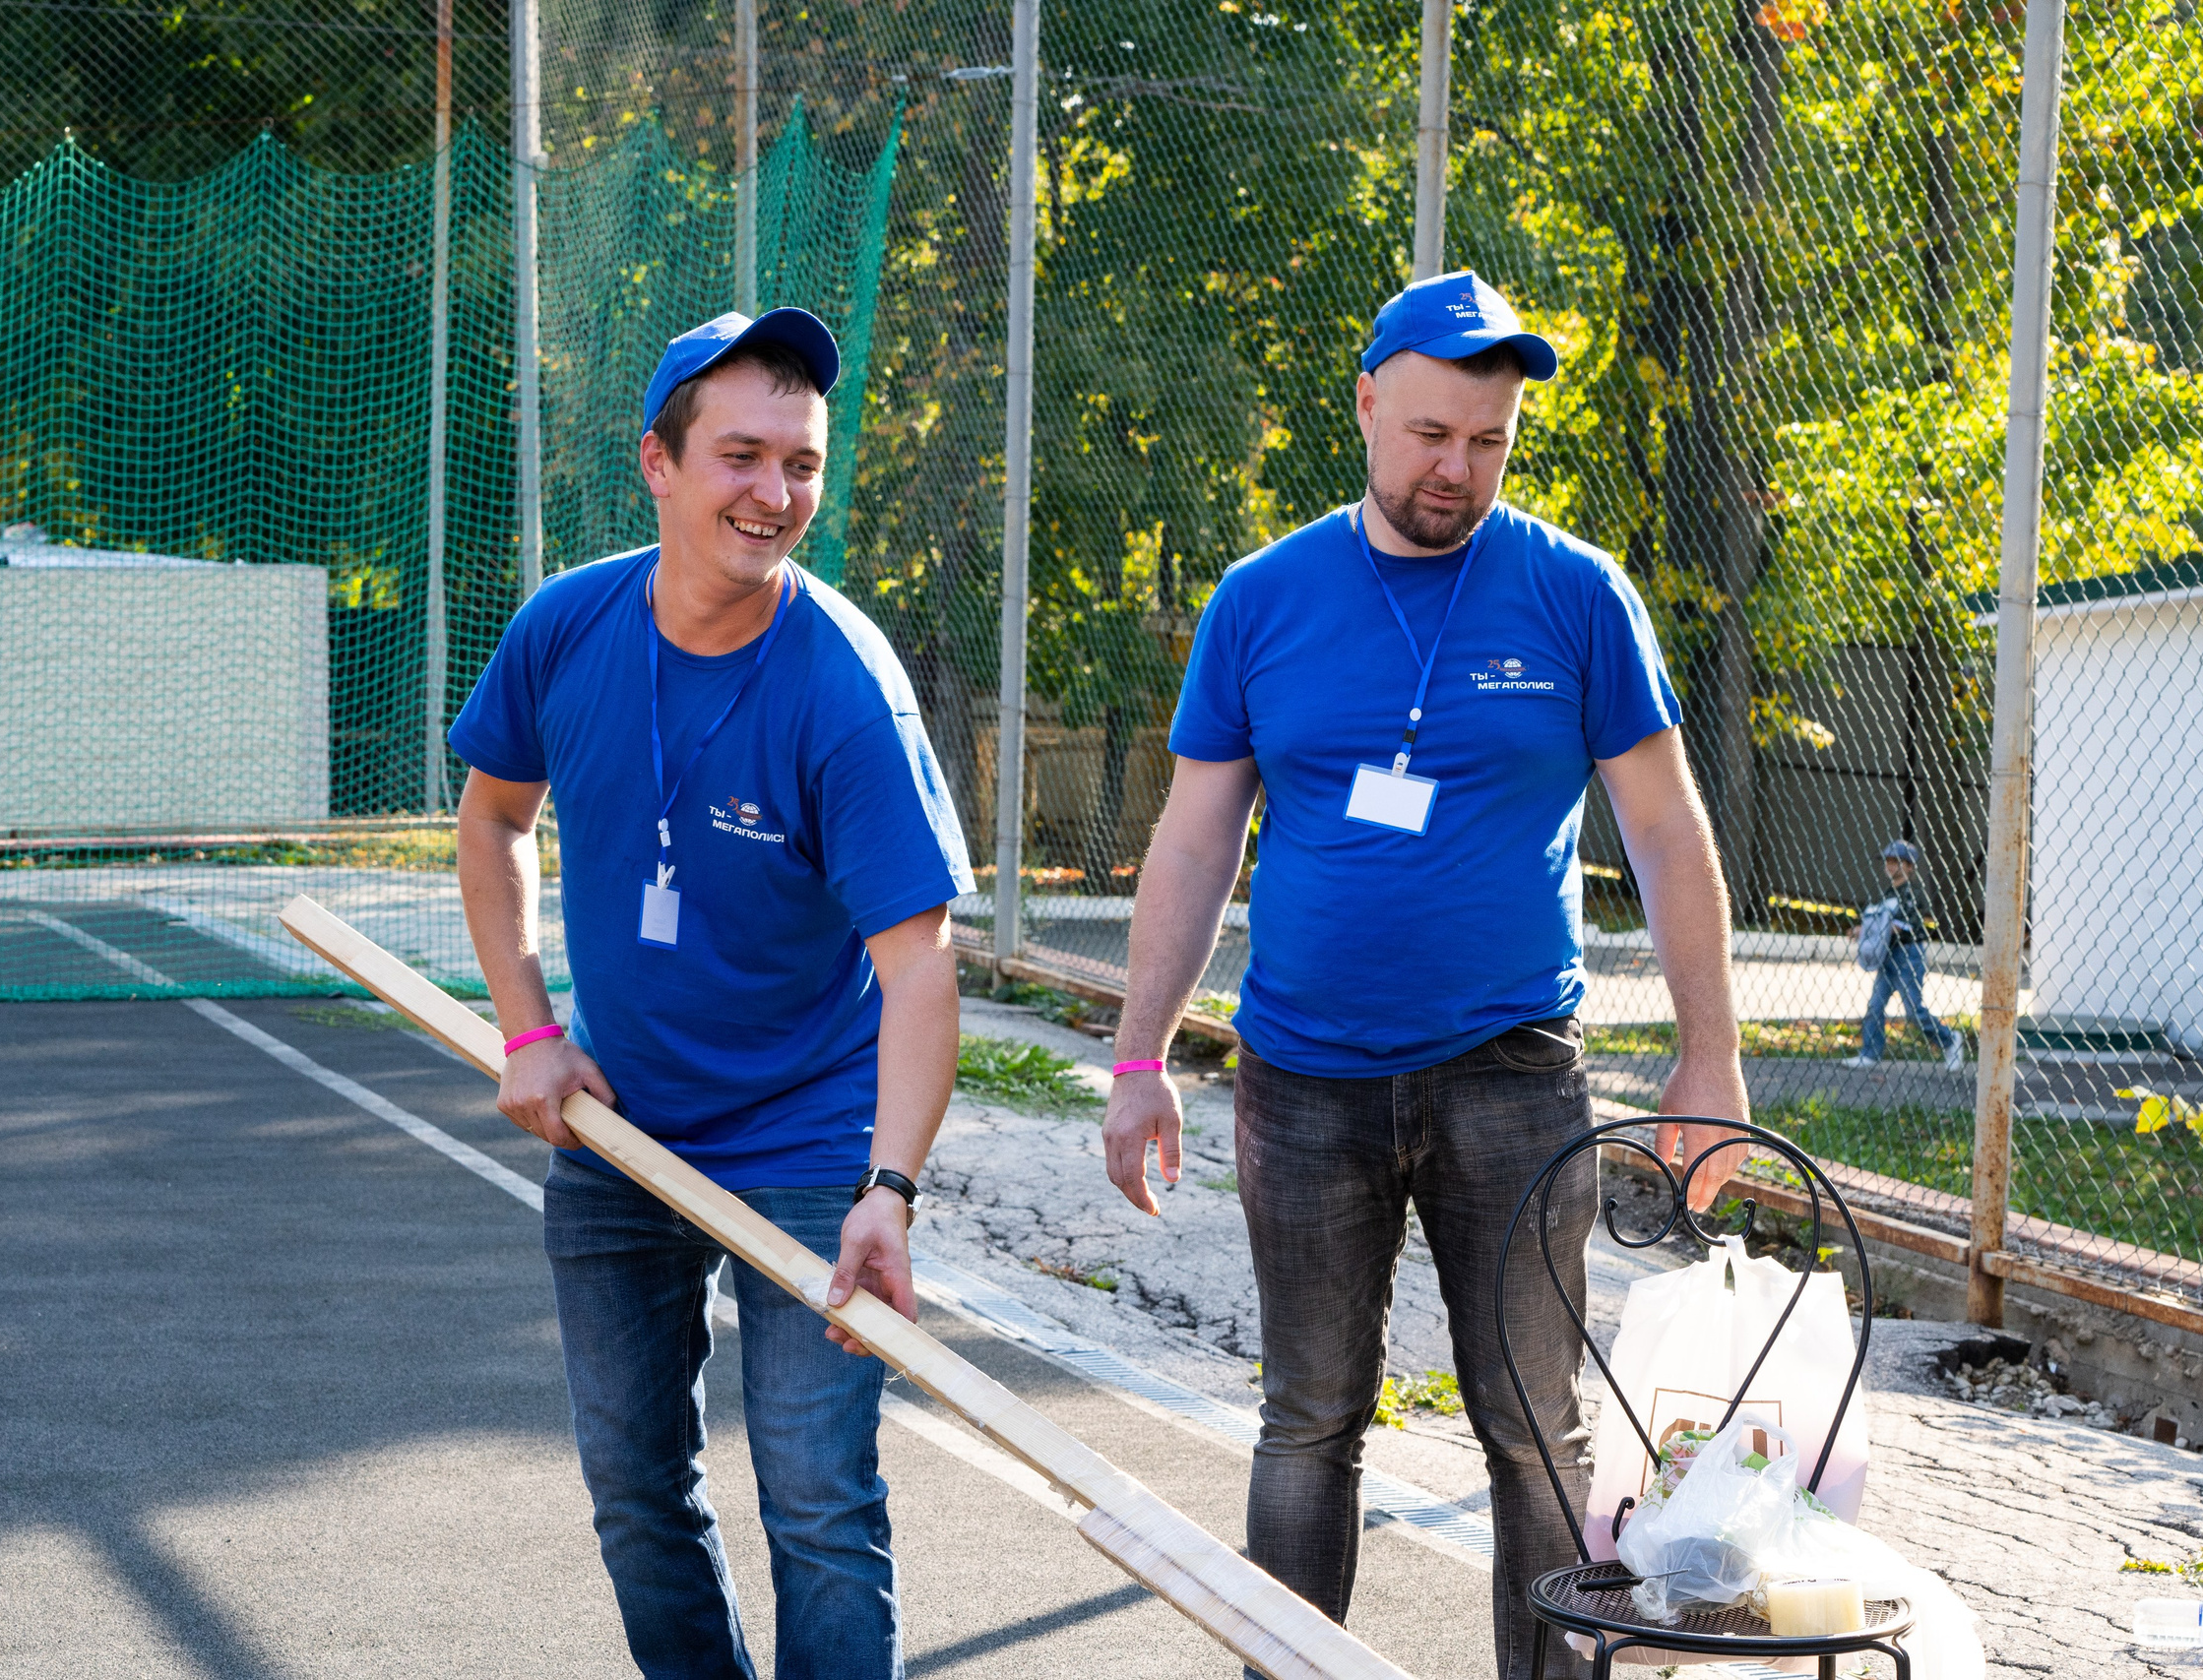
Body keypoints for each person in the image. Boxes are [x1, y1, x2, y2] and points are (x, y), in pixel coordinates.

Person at [1099, 270, 1748, 1680]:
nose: (1458, 466)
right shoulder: (1263, 599)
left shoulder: (1578, 594)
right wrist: (1142, 1056)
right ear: (1368, 407)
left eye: (1492, 439)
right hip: (1304, 1077)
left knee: (1534, 1422)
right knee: (1310, 1413)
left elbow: (1664, 826)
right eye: (1433, 432)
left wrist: (1712, 1056)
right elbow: (1197, 837)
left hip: (1511, 1073)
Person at [449, 307, 974, 1680]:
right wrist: (529, 1026)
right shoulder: (567, 629)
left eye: (801, 463)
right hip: (619, 1127)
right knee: (636, 1490)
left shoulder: (846, 691)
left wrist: (891, 1187)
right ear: (658, 464)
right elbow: (494, 813)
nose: (776, 493)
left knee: (818, 1500)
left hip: (805, 1147)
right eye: (742, 455)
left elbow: (918, 965)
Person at [1843, 839, 1963, 1070]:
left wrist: (1875, 929)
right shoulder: (1889, 892)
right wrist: (1864, 929)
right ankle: (1870, 1053)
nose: (1889, 866)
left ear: (1909, 866)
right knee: (1875, 1006)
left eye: (1895, 861)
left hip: (1908, 954)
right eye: (1887, 861)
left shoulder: (1913, 892)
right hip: (1889, 954)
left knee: (1913, 1011)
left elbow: (1904, 924)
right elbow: (1882, 923)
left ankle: (1950, 1039)